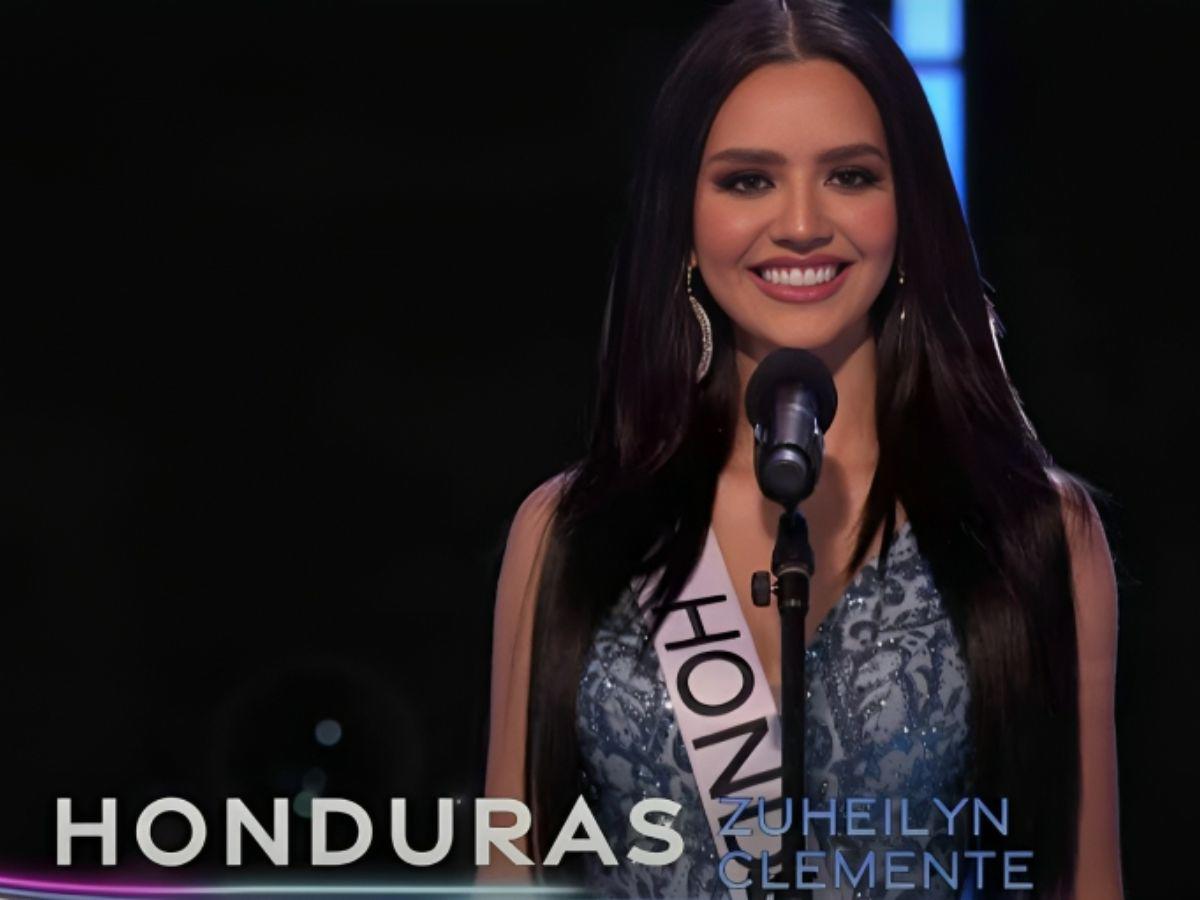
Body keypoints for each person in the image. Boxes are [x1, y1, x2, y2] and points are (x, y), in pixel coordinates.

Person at [481, 1, 1122, 898]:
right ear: (684, 221)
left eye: (850, 176)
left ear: (909, 210)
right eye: (748, 181)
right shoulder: (569, 533)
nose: (802, 224)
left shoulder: (1035, 533)